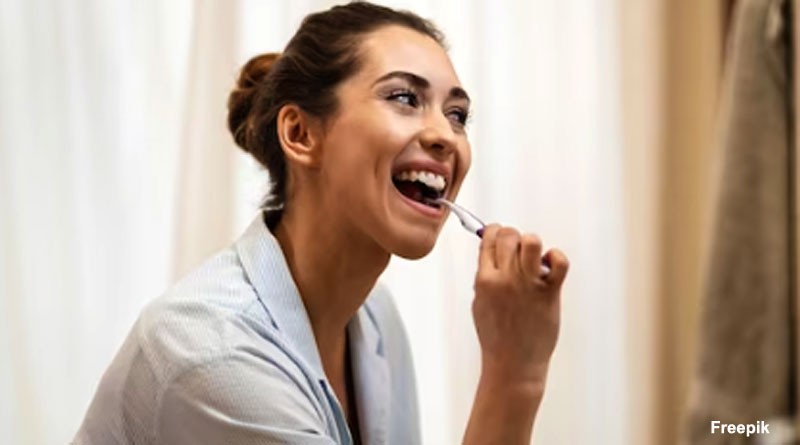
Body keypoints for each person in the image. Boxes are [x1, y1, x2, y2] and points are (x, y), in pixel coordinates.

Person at [73, 2, 569, 444]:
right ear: (300, 133)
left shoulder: (375, 319)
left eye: (457, 114)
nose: (446, 136)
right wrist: (514, 373)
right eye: (404, 98)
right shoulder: (211, 352)